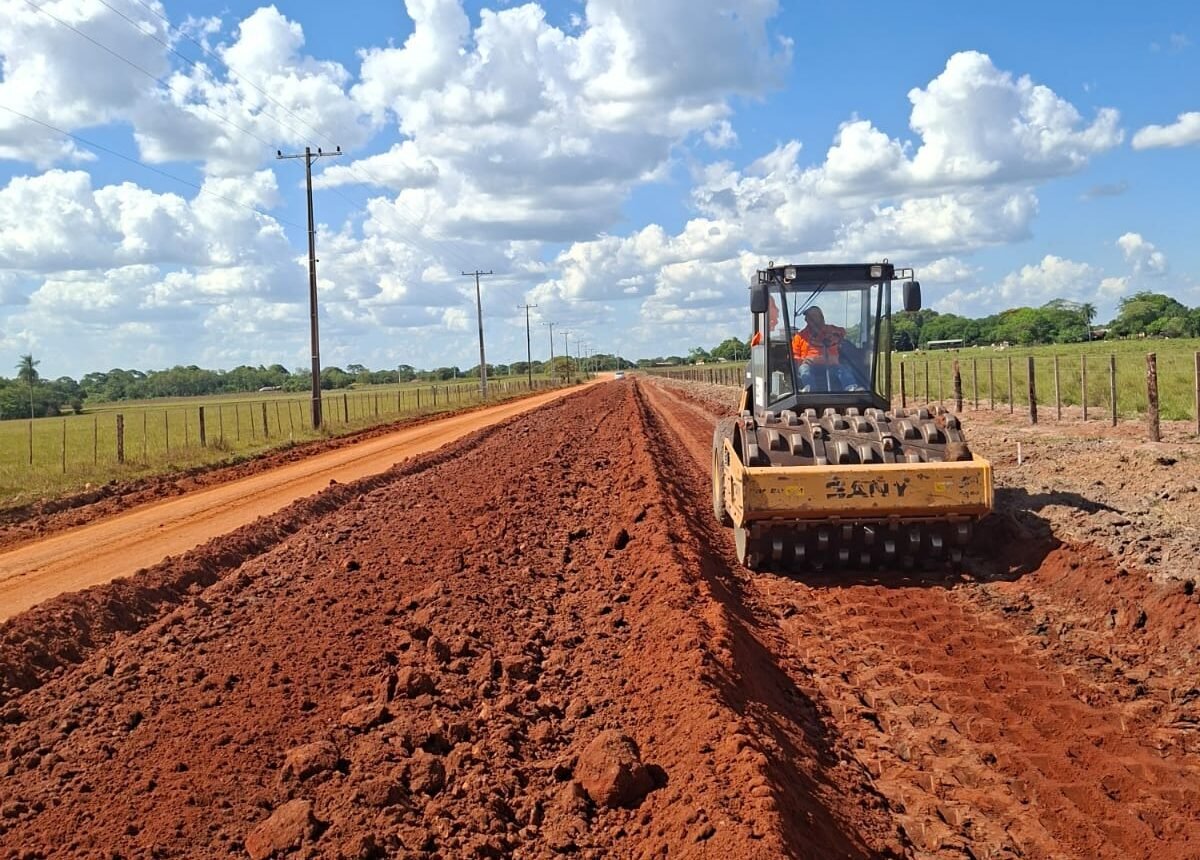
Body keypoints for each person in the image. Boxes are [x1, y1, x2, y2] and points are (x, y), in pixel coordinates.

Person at [793, 305, 864, 392]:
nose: (811, 319)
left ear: (821, 317)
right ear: (806, 320)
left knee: (843, 369)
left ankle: (851, 388)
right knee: (804, 370)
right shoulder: (800, 336)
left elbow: (842, 331)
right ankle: (810, 390)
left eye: (814, 316)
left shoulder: (831, 330)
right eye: (808, 317)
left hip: (832, 365)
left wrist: (832, 334)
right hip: (810, 366)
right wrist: (803, 360)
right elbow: (795, 357)